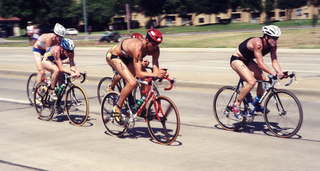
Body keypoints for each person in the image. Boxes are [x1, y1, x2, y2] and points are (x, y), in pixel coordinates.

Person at [106, 28, 167, 120]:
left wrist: (160, 73)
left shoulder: (155, 50)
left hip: (129, 58)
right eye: (153, 44)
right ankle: (117, 107)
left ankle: (140, 107)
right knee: (132, 82)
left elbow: (155, 68)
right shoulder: (138, 48)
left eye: (157, 44)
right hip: (115, 56)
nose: (155, 47)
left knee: (145, 80)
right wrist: (156, 74)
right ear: (147, 41)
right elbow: (139, 73)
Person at [229, 25, 284, 119]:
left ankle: (256, 103)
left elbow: (274, 61)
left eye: (277, 38)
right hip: (237, 59)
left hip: (248, 61)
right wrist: (273, 73)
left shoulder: (273, 46)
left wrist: (280, 72)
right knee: (252, 82)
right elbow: (260, 64)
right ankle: (235, 105)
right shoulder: (258, 43)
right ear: (266, 37)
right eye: (273, 38)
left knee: (264, 79)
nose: (275, 40)